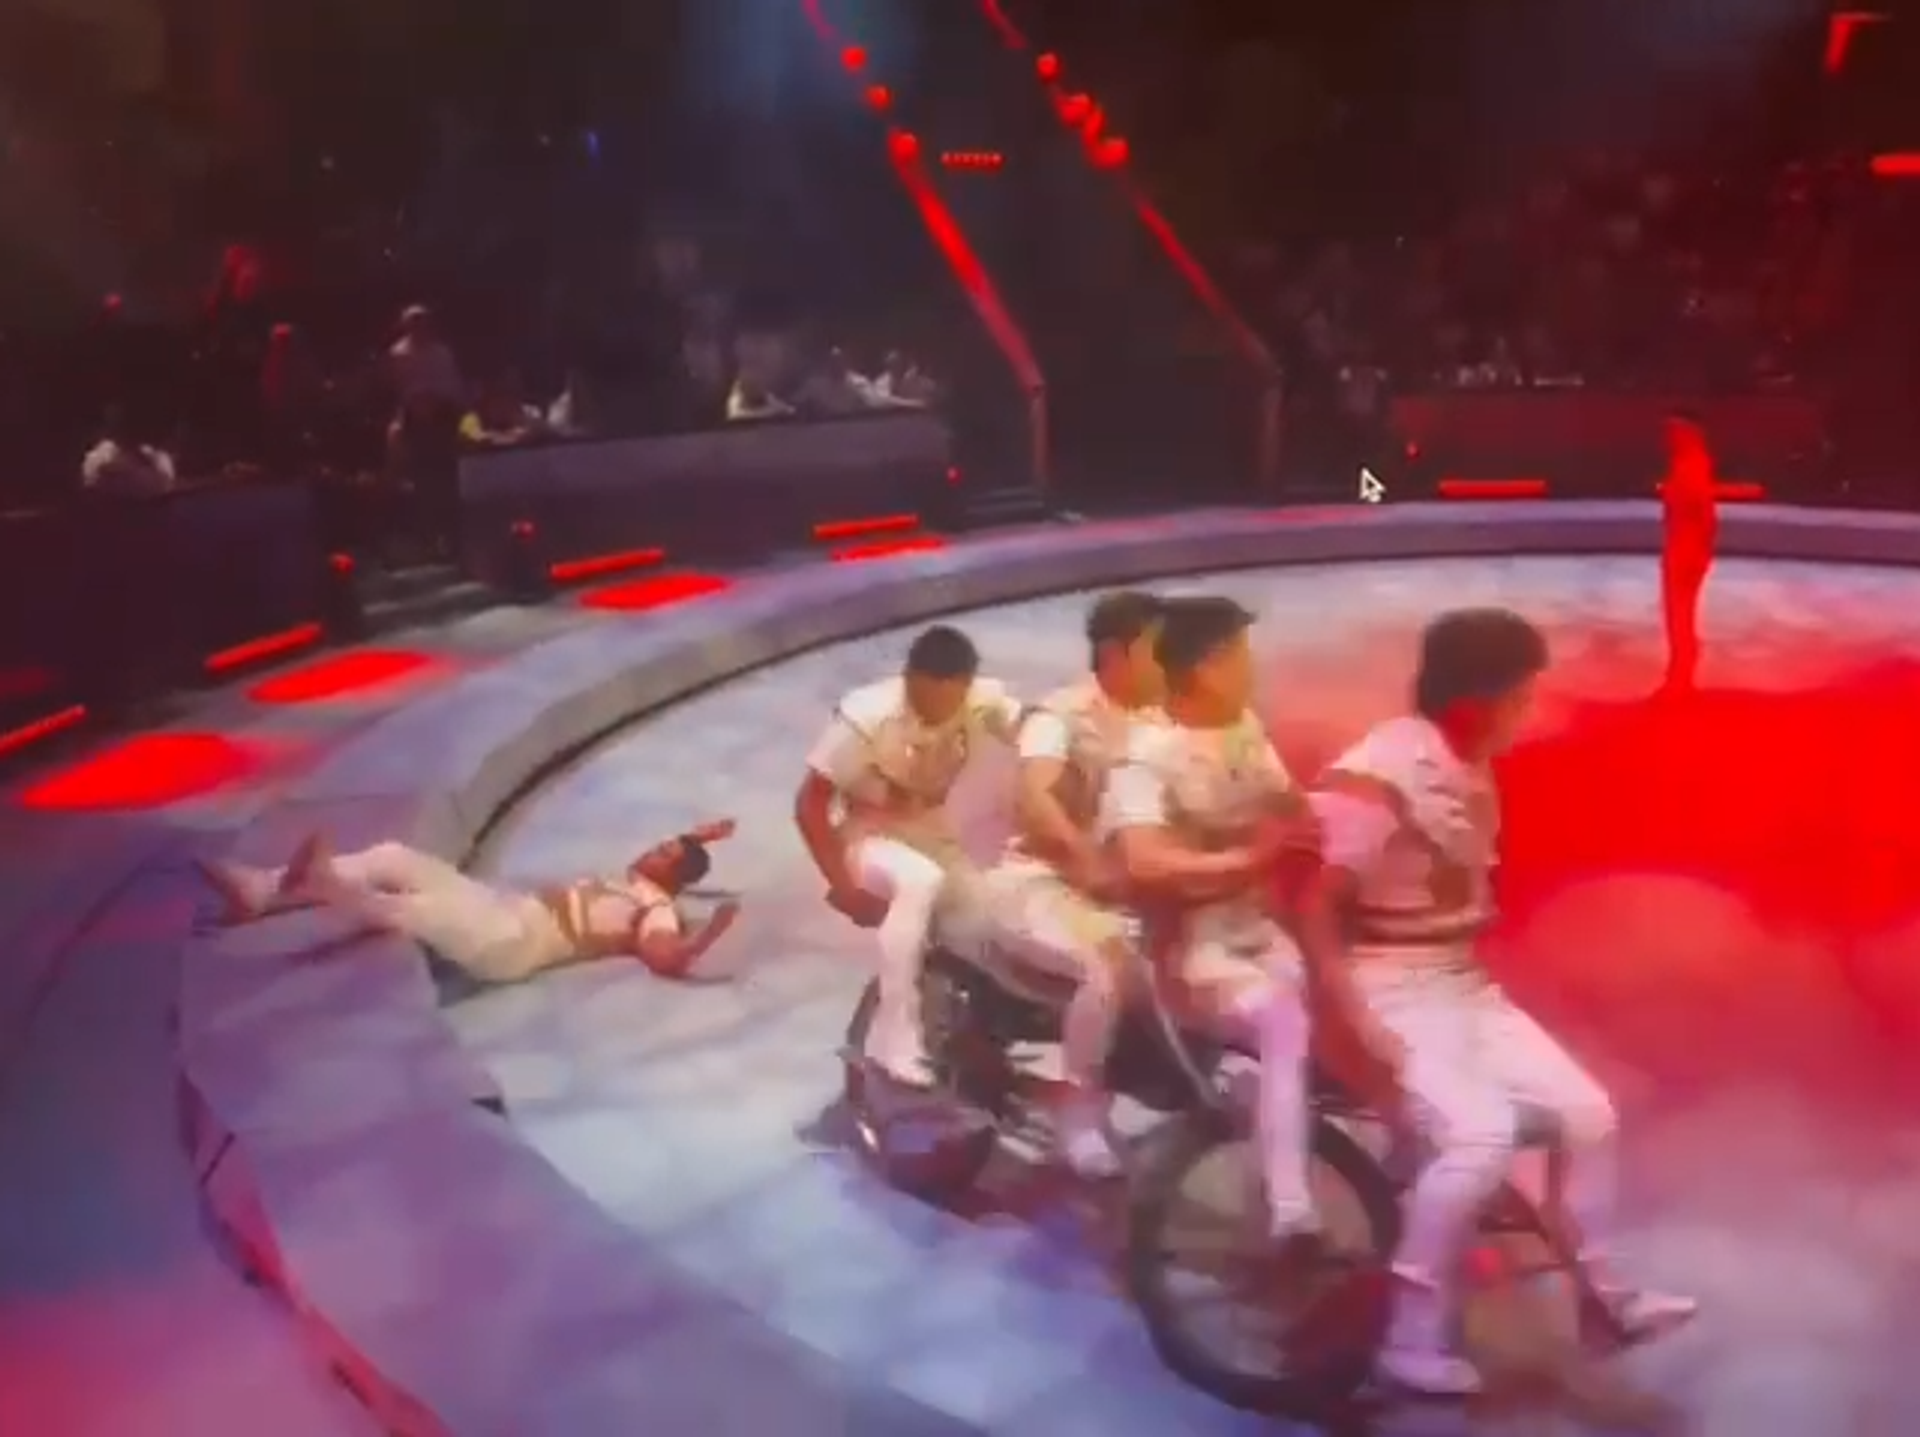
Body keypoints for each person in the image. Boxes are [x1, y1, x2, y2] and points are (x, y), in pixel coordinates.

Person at [1302, 608, 1696, 1396]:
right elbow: (1313, 907)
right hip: (1387, 987)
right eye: (1519, 698)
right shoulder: (1378, 777)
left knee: (1588, 1115)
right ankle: (1408, 1337)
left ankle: (1603, 1301)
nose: (1528, 712)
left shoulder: (1468, 759)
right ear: (1471, 703)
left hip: (1459, 985)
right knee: (1480, 1136)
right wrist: (1357, 1022)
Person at [1101, 596, 1337, 1244]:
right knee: (1283, 1021)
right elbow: (1144, 861)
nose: (1252, 671)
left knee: (1328, 999)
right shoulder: (1146, 757)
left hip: (1258, 934)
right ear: (1207, 668)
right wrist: (1251, 859)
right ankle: (1289, 1205)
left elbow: (1292, 806)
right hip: (1187, 950)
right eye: (1241, 658)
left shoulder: (1244, 731)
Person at [980, 591, 1167, 1176]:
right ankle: (1079, 1111)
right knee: (1106, 967)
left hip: (1129, 892)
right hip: (1040, 884)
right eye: (1157, 649)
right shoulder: (1059, 717)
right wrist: (1085, 860)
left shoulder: (1166, 721)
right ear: (1115, 653)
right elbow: (1035, 797)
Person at [795, 625, 1024, 1086]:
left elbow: (1037, 731)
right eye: (926, 696)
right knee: (919, 881)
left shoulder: (985, 700)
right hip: (865, 837)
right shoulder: (865, 717)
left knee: (989, 912)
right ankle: (892, 1038)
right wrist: (843, 886)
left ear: (964, 686)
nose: (937, 709)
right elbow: (810, 804)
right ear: (910, 679)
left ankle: (979, 1032)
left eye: (948, 699)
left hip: (932, 834)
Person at [195, 821, 740, 983]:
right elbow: (680, 858)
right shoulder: (635, 879)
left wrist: (707, 937)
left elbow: (664, 955)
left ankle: (322, 886)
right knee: (394, 855)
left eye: (664, 852)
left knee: (418, 912)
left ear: (673, 875)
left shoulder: (657, 908)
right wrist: (703, 836)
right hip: (501, 907)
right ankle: (262, 888)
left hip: (515, 944)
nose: (652, 849)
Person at [1659, 409, 1718, 690]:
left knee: (1680, 614)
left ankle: (1681, 675)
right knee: (1678, 613)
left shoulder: (1693, 466)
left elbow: (1704, 513)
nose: (1670, 437)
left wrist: (1701, 551)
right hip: (1680, 545)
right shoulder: (1685, 463)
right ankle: (1679, 673)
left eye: (1676, 432)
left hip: (1686, 548)